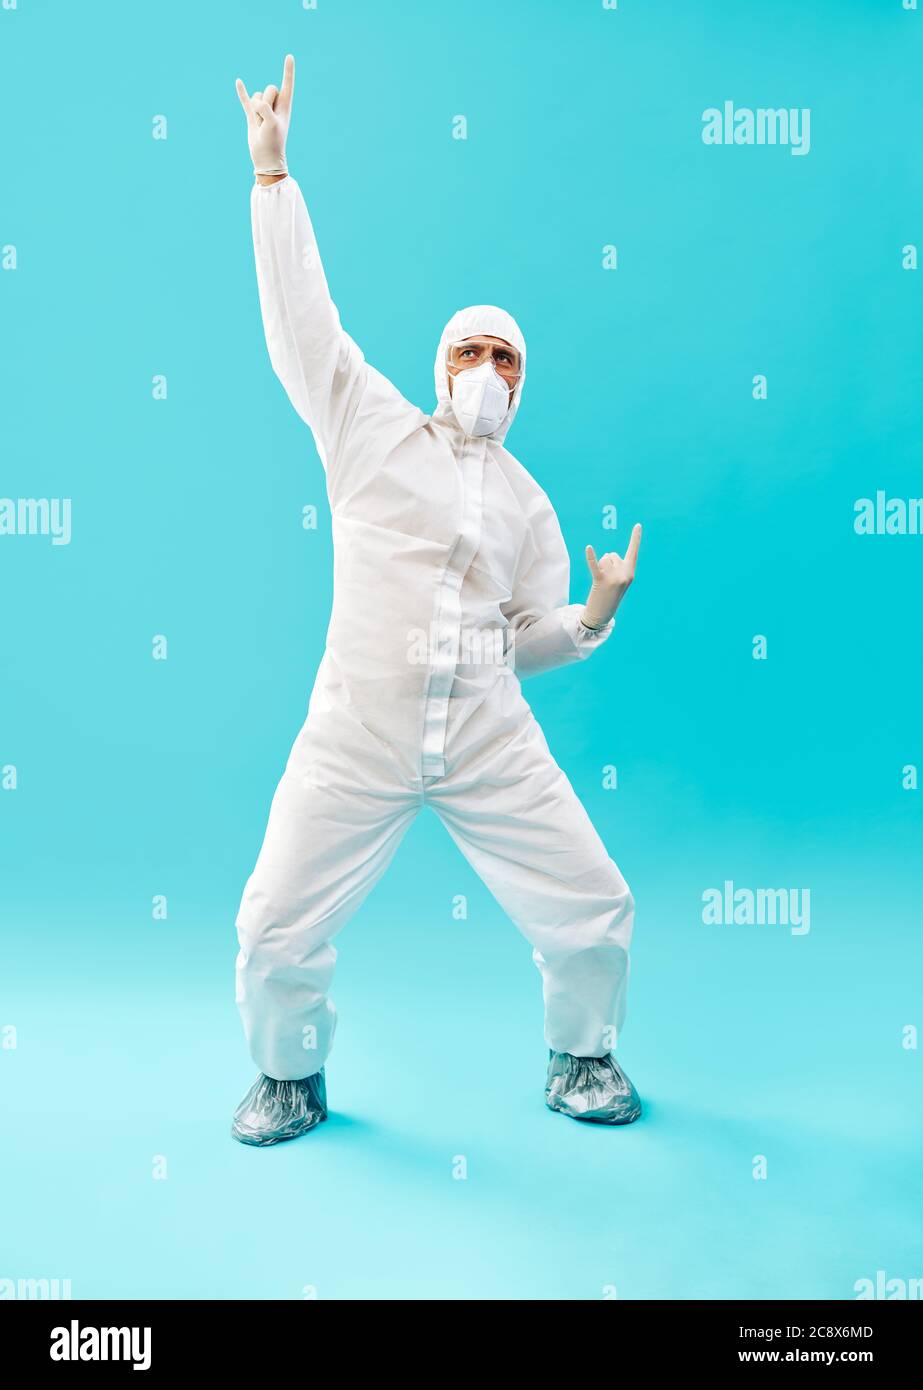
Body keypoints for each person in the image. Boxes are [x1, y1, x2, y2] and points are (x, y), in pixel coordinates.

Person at [231, 55, 644, 1146]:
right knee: (273, 923)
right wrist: (273, 178)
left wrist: (591, 615)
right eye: (468, 350)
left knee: (594, 901)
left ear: (521, 381)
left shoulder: (529, 504)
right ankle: (289, 1077)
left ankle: (581, 1057)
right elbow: (303, 330)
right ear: (438, 362)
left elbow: (525, 640)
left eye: (504, 357)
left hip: (482, 737)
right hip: (354, 732)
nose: (485, 368)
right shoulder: (366, 428)